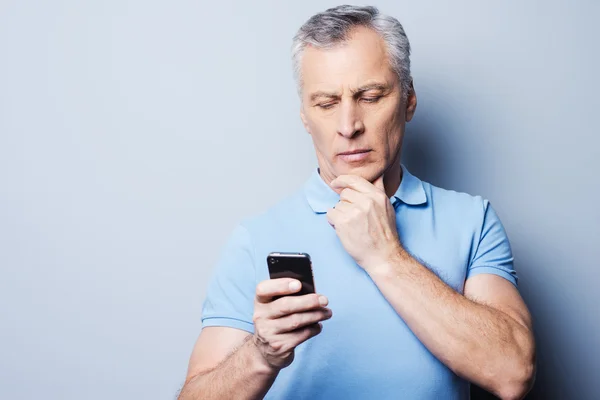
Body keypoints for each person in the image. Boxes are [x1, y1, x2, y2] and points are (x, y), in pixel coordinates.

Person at [178, 5, 536, 400]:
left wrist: (385, 256)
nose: (349, 126)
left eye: (369, 96)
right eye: (326, 103)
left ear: (409, 99)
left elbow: (513, 373)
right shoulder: (254, 237)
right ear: (304, 115)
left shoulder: (473, 220)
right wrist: (261, 356)